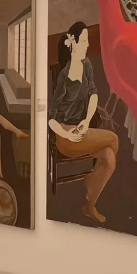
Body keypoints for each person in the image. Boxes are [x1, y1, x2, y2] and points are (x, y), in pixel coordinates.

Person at [49, 21, 120, 223]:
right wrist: (66, 133)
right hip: (65, 136)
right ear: (73, 43)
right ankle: (91, 179)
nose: (88, 45)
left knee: (110, 159)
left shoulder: (86, 64)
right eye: (84, 41)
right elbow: (51, 119)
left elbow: (93, 94)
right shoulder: (64, 77)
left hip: (82, 130)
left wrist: (87, 121)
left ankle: (89, 206)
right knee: (113, 140)